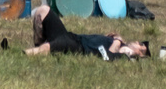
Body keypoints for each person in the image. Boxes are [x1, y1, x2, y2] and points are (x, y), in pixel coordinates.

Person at [21, 5, 151, 59]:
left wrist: (117, 41)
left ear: (139, 53)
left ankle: (22, 54)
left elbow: (108, 57)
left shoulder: (126, 54)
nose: (137, 42)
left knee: (49, 47)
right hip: (72, 36)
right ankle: (37, 46)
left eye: (140, 45)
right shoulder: (120, 44)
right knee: (42, 10)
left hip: (78, 47)